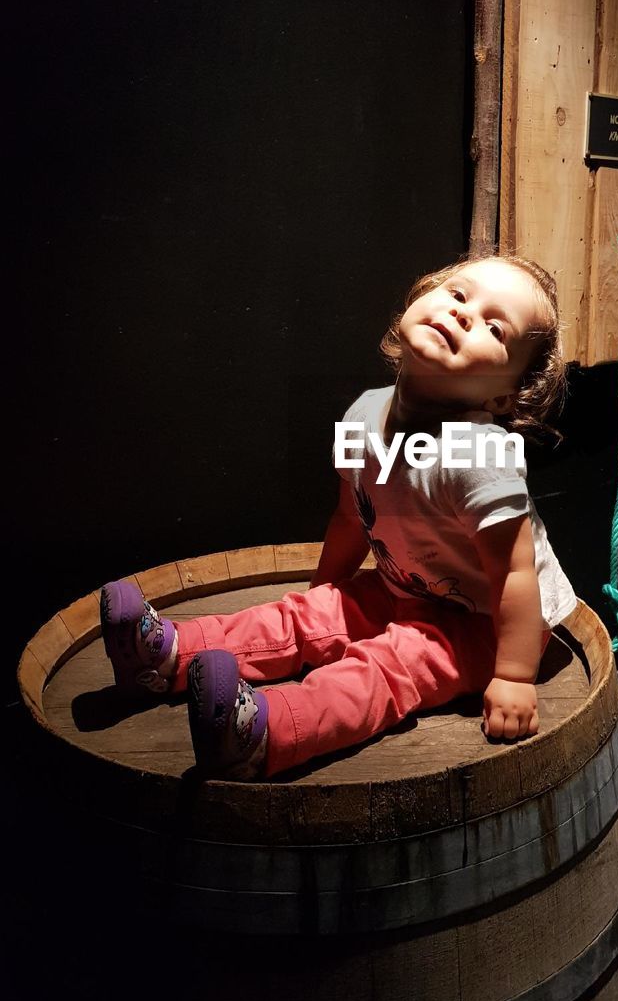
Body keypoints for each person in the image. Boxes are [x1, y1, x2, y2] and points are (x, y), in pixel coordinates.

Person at [100, 253, 577, 779]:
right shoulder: (362, 415)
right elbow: (351, 517)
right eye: (459, 295)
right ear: (417, 300)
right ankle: (166, 656)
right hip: (407, 587)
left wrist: (512, 675)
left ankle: (266, 733)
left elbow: (514, 574)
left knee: (392, 666)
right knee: (301, 616)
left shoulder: (481, 456)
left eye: (495, 327)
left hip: (485, 625)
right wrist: (322, 597)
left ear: (505, 393)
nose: (464, 314)